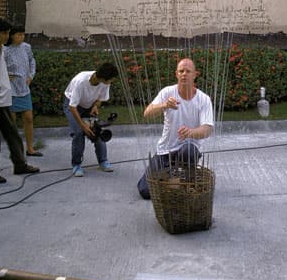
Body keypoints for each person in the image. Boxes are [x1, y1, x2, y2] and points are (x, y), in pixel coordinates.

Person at [137, 57, 214, 199]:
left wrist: (191, 132)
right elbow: (147, 113)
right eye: (181, 71)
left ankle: (184, 180)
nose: (184, 74)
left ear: (195, 74)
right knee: (145, 191)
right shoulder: (167, 92)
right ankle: (174, 181)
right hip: (165, 151)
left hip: (188, 150)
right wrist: (164, 105)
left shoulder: (204, 99)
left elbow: (207, 129)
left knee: (189, 149)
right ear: (176, 74)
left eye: (188, 71)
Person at [0, 18, 40, 183]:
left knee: (13, 135)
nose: (7, 36)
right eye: (4, 33)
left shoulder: (2, 50)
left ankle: (20, 164)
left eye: (7, 33)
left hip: (4, 99)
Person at [63, 62, 119, 177]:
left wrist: (95, 106)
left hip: (88, 105)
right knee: (78, 132)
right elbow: (72, 107)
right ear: (104, 78)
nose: (111, 81)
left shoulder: (104, 82)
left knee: (97, 129)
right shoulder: (81, 81)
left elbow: (101, 98)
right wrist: (83, 126)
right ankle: (76, 165)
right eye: (111, 79)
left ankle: (103, 161)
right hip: (72, 105)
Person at [4, 24, 42, 156]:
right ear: (12, 35)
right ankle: (15, 150)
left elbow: (32, 62)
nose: (21, 37)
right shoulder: (5, 49)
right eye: (18, 34)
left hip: (24, 88)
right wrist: (5, 77)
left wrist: (30, 76)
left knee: (29, 118)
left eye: (22, 34)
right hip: (11, 88)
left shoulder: (26, 47)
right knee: (12, 121)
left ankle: (30, 148)